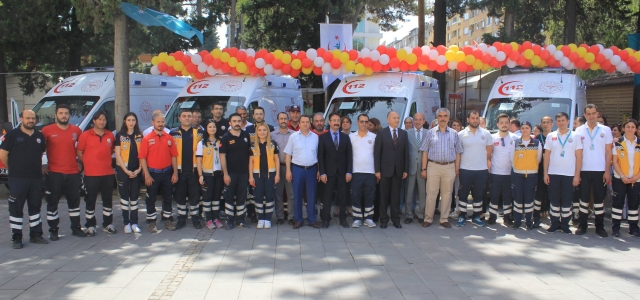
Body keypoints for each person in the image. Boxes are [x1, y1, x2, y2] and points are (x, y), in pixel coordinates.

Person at [0, 110, 48, 248]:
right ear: (21, 119)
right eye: (28, 118)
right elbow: (3, 155)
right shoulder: (12, 135)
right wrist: (13, 168)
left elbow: (42, 153)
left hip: (35, 178)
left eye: (33, 118)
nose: (31, 120)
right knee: (16, 208)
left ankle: (36, 234)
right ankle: (17, 237)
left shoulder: (39, 136)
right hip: (17, 178)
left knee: (35, 206)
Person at [41, 104, 85, 240]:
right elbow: (41, 148)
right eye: (61, 113)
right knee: (52, 202)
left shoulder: (76, 130)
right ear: (56, 115)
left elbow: (82, 148)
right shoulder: (46, 130)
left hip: (72, 173)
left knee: (74, 202)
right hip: (54, 173)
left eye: (66, 113)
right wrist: (43, 163)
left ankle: (76, 228)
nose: (63, 116)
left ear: (69, 115)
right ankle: (53, 230)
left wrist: (80, 162)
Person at [574, 104, 612, 237]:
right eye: (588, 114)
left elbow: (608, 152)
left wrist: (607, 171)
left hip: (600, 170)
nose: (591, 116)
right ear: (585, 115)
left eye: (593, 113)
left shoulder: (606, 130)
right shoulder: (579, 130)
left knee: (599, 200)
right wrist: (577, 174)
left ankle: (600, 227)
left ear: (598, 114)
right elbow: (578, 154)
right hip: (584, 170)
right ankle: (582, 225)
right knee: (583, 199)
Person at [421, 108, 463, 228]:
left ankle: (444, 219)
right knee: (431, 193)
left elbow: (458, 152)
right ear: (437, 118)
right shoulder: (430, 133)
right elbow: (425, 152)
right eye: (440, 116)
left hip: (449, 167)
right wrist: (424, 169)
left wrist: (456, 169)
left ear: (448, 118)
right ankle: (428, 218)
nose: (443, 118)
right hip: (433, 166)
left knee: (447, 194)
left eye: (445, 116)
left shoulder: (454, 133)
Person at [77, 111, 116, 236]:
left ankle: (108, 223)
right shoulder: (85, 135)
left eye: (104, 119)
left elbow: (110, 151)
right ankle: (90, 225)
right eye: (99, 119)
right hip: (91, 174)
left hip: (107, 173)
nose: (102, 122)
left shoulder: (110, 135)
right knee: (90, 200)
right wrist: (88, 162)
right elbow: (79, 152)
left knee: (108, 199)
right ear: (94, 121)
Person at [544, 112, 583, 234]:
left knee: (567, 200)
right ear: (556, 123)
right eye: (559, 121)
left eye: (563, 120)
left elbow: (579, 157)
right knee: (554, 199)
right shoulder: (551, 136)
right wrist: (545, 173)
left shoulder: (576, 136)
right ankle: (554, 223)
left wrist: (577, 175)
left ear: (568, 121)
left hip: (569, 174)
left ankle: (565, 224)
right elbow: (546, 156)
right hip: (553, 173)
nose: (561, 123)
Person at [139, 113, 178, 232]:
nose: (161, 124)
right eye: (158, 122)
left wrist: (175, 173)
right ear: (153, 123)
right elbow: (142, 158)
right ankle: (152, 222)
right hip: (153, 173)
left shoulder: (169, 137)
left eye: (162, 122)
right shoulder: (147, 138)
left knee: (168, 198)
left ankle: (168, 220)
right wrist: (146, 174)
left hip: (167, 173)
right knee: (151, 199)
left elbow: (174, 156)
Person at [456, 111, 493, 227]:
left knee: (478, 194)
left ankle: (477, 216)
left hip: (481, 170)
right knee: (463, 194)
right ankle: (462, 215)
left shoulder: (486, 134)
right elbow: (458, 153)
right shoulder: (461, 134)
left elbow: (489, 151)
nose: (475, 120)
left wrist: (486, 164)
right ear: (468, 119)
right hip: (465, 169)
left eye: (477, 118)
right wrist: (457, 168)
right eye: (473, 118)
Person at [170, 110, 204, 229]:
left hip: (194, 170)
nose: (187, 118)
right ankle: (181, 219)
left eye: (189, 116)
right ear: (179, 118)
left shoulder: (200, 132)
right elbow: (171, 153)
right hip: (179, 171)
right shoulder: (173, 133)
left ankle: (195, 218)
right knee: (180, 195)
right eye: (184, 116)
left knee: (195, 195)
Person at [374, 111, 409, 229]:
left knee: (396, 196)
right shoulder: (381, 133)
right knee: (383, 195)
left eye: (398, 118)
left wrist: (405, 169)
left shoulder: (403, 134)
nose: (397, 120)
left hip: (398, 170)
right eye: (394, 118)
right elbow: (377, 153)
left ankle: (395, 219)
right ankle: (383, 219)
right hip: (385, 170)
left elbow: (406, 153)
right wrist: (377, 170)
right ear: (388, 120)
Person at [285, 115, 320, 229]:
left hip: (312, 169)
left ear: (310, 124)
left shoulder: (315, 137)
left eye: (307, 122)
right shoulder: (293, 137)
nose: (305, 124)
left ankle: (312, 219)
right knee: (297, 195)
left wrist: (319, 170)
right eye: (303, 122)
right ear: (299, 124)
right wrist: (288, 170)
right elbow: (288, 154)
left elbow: (318, 155)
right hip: (297, 169)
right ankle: (298, 219)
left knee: (311, 195)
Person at [318, 113, 353, 228]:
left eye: (338, 120)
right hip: (328, 172)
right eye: (334, 120)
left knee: (342, 196)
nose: (336, 122)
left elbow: (349, 156)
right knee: (327, 197)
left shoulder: (345, 137)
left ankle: (343, 219)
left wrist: (349, 172)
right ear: (329, 122)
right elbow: (321, 157)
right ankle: (326, 219)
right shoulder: (323, 137)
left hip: (342, 173)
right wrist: (322, 172)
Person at [220, 113, 252, 229]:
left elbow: (250, 156)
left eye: (239, 121)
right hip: (231, 173)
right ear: (230, 123)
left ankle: (240, 219)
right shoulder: (226, 137)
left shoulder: (246, 135)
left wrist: (249, 174)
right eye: (234, 121)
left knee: (241, 197)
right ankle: (229, 220)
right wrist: (226, 174)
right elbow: (222, 156)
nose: (237, 123)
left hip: (243, 173)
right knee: (228, 196)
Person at [244, 106, 275, 223]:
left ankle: (267, 217)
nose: (258, 116)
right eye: (256, 114)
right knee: (254, 194)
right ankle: (254, 214)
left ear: (264, 115)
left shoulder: (271, 128)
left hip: (268, 169)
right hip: (255, 165)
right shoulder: (248, 129)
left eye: (260, 114)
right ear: (253, 116)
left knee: (268, 194)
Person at [114, 113, 143, 234]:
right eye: (129, 120)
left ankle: (134, 223)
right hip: (123, 170)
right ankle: (126, 223)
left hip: (136, 170)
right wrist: (126, 171)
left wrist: (140, 168)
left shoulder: (139, 136)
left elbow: (143, 154)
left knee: (134, 198)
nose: (131, 122)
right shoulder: (120, 135)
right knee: (125, 198)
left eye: (133, 120)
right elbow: (118, 155)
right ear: (125, 121)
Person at [510, 121, 542, 230]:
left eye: (527, 128)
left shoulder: (537, 143)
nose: (525, 130)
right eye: (523, 128)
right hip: (518, 174)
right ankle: (517, 221)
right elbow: (511, 158)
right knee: (518, 198)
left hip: (532, 175)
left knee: (529, 199)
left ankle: (529, 222)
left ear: (530, 129)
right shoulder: (515, 142)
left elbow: (538, 159)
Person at [611, 119, 640, 237]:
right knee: (618, 203)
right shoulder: (617, 143)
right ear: (623, 128)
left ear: (636, 129)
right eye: (628, 127)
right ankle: (615, 228)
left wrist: (637, 176)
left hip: (636, 179)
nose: (630, 129)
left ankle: (633, 227)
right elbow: (615, 161)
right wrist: (622, 176)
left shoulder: (639, 143)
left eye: (633, 127)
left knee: (634, 204)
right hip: (620, 178)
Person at [488, 113, 517, 225]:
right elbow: (489, 154)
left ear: (509, 124)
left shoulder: (515, 138)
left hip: (510, 173)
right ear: (497, 124)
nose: (504, 125)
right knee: (494, 195)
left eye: (506, 123)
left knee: (508, 196)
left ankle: (507, 217)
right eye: (501, 123)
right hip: (495, 172)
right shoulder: (492, 137)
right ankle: (492, 216)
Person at [249, 122, 280, 229]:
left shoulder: (273, 144)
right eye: (259, 130)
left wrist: (277, 175)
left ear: (268, 131)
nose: (262, 132)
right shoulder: (253, 145)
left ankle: (268, 219)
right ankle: (260, 218)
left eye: (264, 130)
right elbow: (251, 162)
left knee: (270, 197)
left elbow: (276, 160)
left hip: (270, 175)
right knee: (258, 197)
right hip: (257, 175)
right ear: (256, 132)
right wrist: (251, 176)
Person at [196, 120, 225, 229]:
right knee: (207, 198)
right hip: (207, 174)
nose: (212, 129)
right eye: (210, 127)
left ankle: (216, 218)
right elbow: (198, 160)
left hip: (218, 173)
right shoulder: (202, 143)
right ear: (206, 129)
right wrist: (200, 175)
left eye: (214, 127)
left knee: (217, 197)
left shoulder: (220, 141)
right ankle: (208, 219)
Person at [350, 114, 377, 228]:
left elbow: (377, 155)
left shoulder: (374, 137)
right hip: (356, 172)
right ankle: (357, 218)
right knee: (356, 195)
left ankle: (368, 218)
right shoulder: (351, 137)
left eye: (366, 122)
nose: (364, 124)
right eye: (361, 121)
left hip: (370, 172)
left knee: (369, 195)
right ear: (357, 122)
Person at [272, 112, 296, 225]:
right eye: (281, 119)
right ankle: (280, 216)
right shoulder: (272, 135)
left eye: (285, 119)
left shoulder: (294, 134)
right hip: (277, 167)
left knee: (291, 193)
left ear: (288, 120)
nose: (283, 121)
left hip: (291, 167)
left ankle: (291, 216)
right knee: (278, 193)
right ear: (277, 121)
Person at [404, 113, 427, 224]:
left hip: (423, 168)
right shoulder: (407, 133)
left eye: (420, 120)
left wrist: (426, 168)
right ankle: (409, 214)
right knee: (409, 192)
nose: (417, 122)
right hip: (411, 167)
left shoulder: (429, 133)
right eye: (416, 120)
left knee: (423, 193)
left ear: (424, 121)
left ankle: (421, 214)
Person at [533, 116, 553, 227]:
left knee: (553, 194)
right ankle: (536, 216)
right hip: (540, 170)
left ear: (552, 124)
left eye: (548, 122)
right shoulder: (536, 139)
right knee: (539, 193)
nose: (545, 124)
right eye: (543, 122)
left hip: (554, 169)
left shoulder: (555, 137)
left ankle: (554, 218)